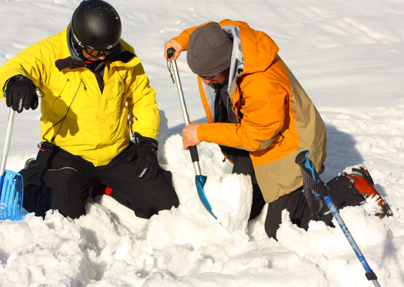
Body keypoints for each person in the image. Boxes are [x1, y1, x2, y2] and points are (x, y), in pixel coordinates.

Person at [164, 20, 391, 240]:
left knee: (280, 226)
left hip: (294, 147)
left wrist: (202, 132)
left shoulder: (260, 84)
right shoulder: (235, 38)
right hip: (267, 134)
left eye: (209, 77)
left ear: (225, 63)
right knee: (244, 206)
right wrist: (181, 42)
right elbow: (208, 32)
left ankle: (352, 188)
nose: (205, 82)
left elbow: (255, 138)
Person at [0, 0, 179, 220]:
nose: (102, 57)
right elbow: (14, 67)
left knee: (164, 203)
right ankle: (37, 175)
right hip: (67, 152)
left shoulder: (123, 54)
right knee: (64, 214)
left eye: (107, 52)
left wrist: (147, 142)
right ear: (77, 40)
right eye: (93, 52)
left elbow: (142, 97)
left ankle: (99, 184)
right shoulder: (50, 52)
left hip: (115, 152)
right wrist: (16, 81)